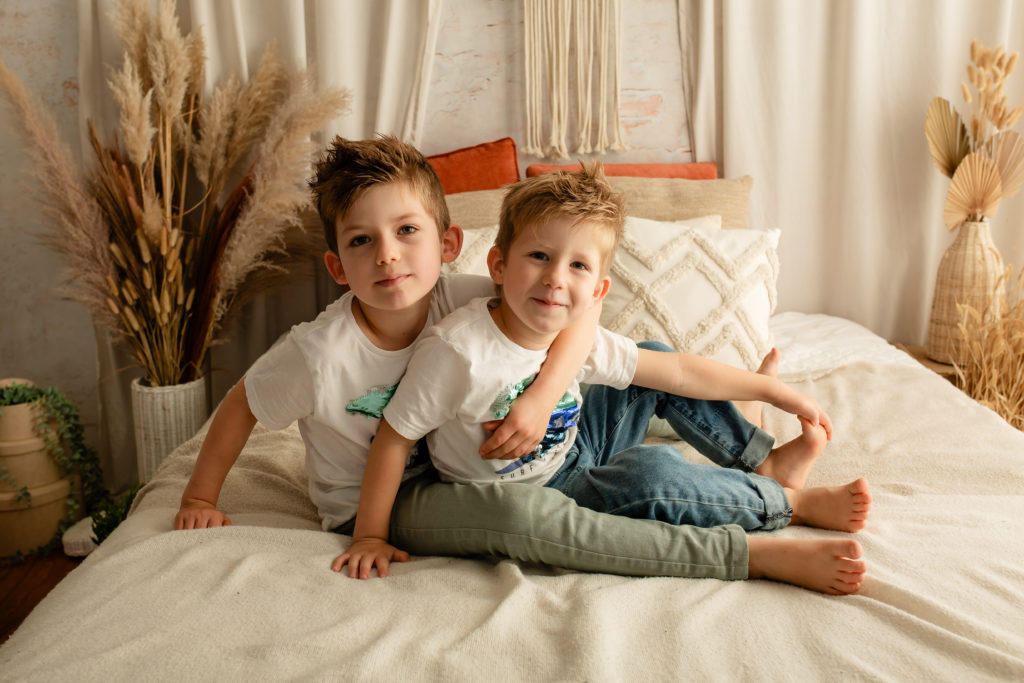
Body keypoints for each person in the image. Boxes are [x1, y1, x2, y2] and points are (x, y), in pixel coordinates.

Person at [175, 135, 785, 586]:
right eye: (362, 241)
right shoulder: (318, 356)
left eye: (406, 231)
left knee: (649, 359)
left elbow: (580, 315)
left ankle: (763, 458)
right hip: (388, 495)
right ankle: (735, 546)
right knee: (521, 517)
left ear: (448, 245)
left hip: (464, 458)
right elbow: (241, 405)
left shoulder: (465, 295)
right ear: (337, 267)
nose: (388, 256)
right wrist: (202, 497)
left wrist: (543, 395)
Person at [340, 161, 871, 595]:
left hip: (579, 440)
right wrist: (368, 535)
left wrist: (768, 388)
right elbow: (394, 436)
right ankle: (789, 503)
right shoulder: (458, 353)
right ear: (498, 264)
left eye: (577, 267)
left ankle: (766, 461)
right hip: (547, 486)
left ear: (598, 290)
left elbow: (679, 370)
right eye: (540, 257)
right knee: (652, 474)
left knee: (653, 358)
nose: (554, 278)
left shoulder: (575, 330)